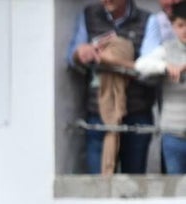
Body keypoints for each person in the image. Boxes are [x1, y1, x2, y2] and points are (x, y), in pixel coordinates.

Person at [67, 0, 163, 174]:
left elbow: (150, 69)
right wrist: (81, 54)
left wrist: (112, 61)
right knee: (98, 180)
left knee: (132, 182)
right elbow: (73, 58)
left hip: (136, 114)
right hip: (98, 113)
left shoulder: (148, 20)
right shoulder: (89, 15)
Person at [137, 1, 186, 174]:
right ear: (172, 26)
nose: (185, 30)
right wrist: (165, 67)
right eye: (180, 25)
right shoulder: (166, 49)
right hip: (172, 133)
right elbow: (141, 65)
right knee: (176, 191)